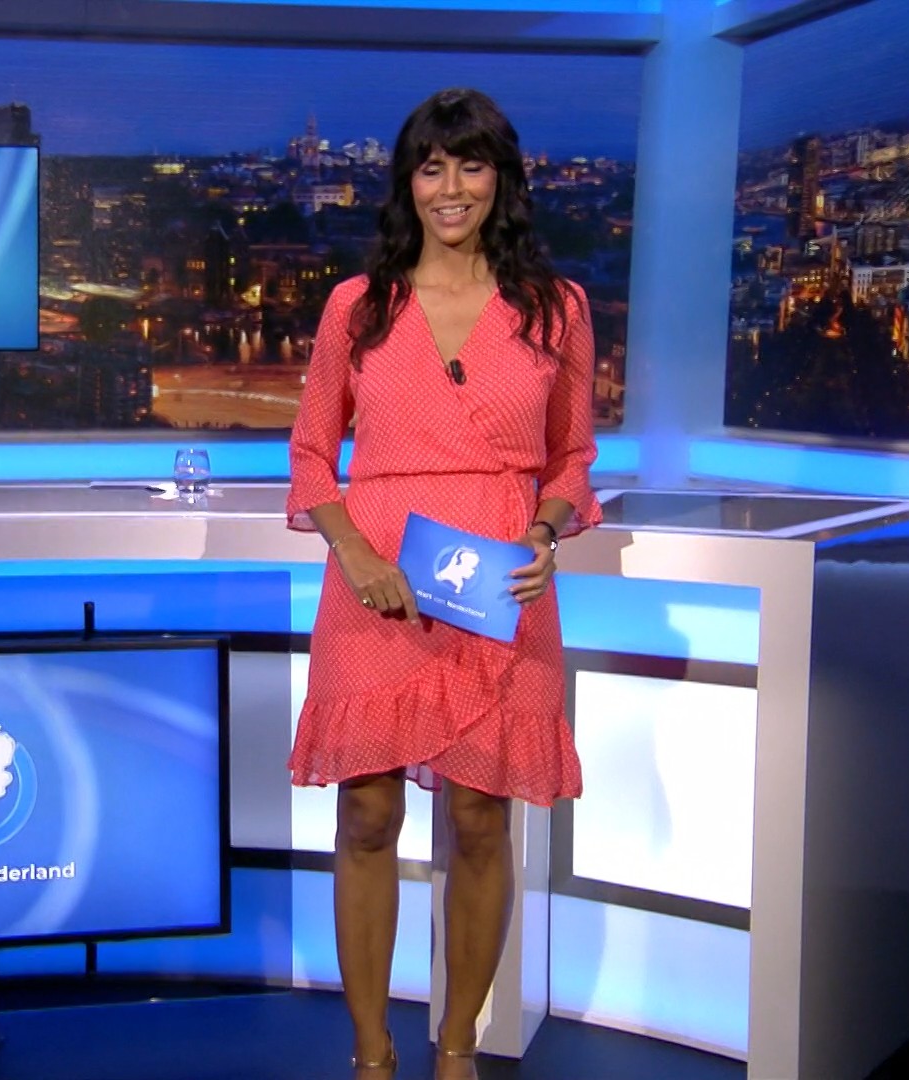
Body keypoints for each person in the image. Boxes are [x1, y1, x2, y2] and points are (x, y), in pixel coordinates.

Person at [285, 89, 600, 1080]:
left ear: (500, 178)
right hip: (377, 580)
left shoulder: (555, 307)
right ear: (407, 183)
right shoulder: (359, 306)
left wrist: (546, 530)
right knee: (368, 814)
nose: (451, 187)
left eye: (470, 165)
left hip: (497, 586)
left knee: (478, 820)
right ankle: (372, 1053)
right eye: (431, 167)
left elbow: (573, 457)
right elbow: (309, 456)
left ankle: (457, 1046)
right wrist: (355, 554)